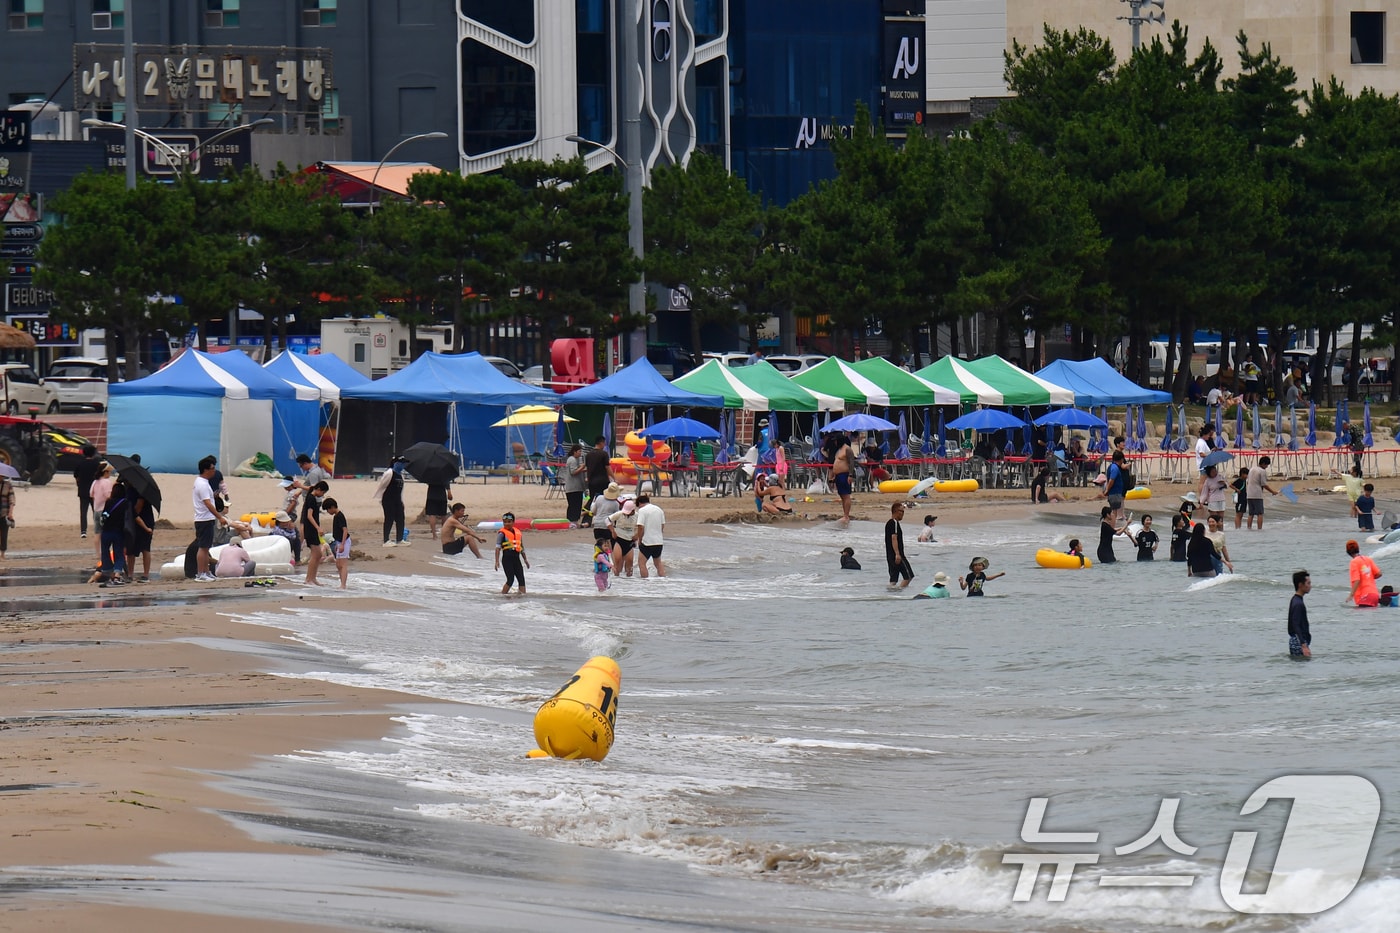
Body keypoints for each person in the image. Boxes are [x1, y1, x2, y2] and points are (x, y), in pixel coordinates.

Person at [193, 456, 230, 582]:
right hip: (203, 519)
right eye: (212, 469)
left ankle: (206, 571)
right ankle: (200, 573)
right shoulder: (202, 484)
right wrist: (220, 517)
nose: (214, 471)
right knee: (203, 547)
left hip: (206, 519)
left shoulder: (203, 483)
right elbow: (208, 503)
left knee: (206, 547)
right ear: (205, 470)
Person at [301, 480, 330, 585]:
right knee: (315, 554)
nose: (322, 495)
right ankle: (309, 579)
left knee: (317, 554)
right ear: (318, 490)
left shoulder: (311, 496)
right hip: (311, 529)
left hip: (312, 529)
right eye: (322, 493)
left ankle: (313, 578)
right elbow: (309, 516)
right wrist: (318, 528)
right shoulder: (311, 499)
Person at [374, 457, 407, 548]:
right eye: (402, 463)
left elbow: (401, 490)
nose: (404, 465)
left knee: (401, 519)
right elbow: (382, 487)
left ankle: (399, 539)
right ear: (396, 463)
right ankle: (386, 540)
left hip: (397, 500)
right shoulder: (389, 473)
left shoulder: (401, 475)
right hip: (388, 500)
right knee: (389, 519)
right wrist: (381, 499)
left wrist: (401, 501)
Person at [495, 512, 529, 595]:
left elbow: (521, 547)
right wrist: (496, 561)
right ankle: (502, 596)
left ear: (513, 522)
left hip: (516, 559)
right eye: (505, 522)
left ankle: (522, 599)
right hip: (507, 559)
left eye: (509, 521)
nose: (507, 524)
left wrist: (525, 559)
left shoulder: (518, 533)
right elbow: (497, 548)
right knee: (510, 580)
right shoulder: (502, 534)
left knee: (521, 579)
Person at [74, 443, 102, 541]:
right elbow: (100, 477)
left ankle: (83, 531)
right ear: (93, 453)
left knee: (83, 512)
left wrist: (79, 485)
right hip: (94, 492)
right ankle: (98, 529)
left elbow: (76, 477)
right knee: (96, 511)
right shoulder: (96, 464)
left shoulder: (80, 463)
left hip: (83, 491)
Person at [634, 494, 667, 578]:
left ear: (640, 503)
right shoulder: (659, 509)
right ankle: (663, 580)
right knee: (658, 563)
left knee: (641, 563)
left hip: (647, 542)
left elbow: (640, 527)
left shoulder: (642, 511)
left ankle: (645, 583)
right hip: (659, 542)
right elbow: (662, 525)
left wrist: (640, 539)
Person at [883, 502, 914, 588]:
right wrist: (897, 554)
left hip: (889, 555)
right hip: (897, 555)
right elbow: (894, 538)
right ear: (896, 511)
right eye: (902, 511)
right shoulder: (894, 522)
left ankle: (892, 596)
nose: (903, 514)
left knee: (893, 580)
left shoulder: (888, 523)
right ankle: (900, 594)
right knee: (909, 576)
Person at [90, 460, 116, 563]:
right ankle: (106, 552)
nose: (110, 474)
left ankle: (98, 554)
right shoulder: (107, 482)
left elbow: (91, 494)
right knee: (106, 532)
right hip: (105, 510)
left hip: (96, 509)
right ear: (105, 472)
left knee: (97, 532)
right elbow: (108, 496)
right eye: (109, 472)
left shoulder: (95, 482)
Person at [126, 492, 155, 581]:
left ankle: (145, 575)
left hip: (145, 521)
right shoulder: (128, 490)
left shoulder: (142, 492)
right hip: (133, 522)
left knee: (145, 548)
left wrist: (132, 514)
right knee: (130, 549)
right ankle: (130, 574)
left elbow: (138, 508)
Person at [1346, 539, 1382, 607]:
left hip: (1364, 596)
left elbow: (1357, 580)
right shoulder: (1368, 559)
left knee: (1360, 616)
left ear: (1347, 552)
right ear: (1358, 549)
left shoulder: (1354, 562)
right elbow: (1379, 573)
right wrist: (1369, 577)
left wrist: (1351, 595)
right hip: (1375, 595)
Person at [1245, 456, 1278, 530]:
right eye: (1266, 465)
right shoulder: (1262, 471)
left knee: (1251, 514)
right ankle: (1259, 529)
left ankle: (1248, 529)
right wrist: (1273, 492)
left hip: (1249, 494)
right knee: (1260, 513)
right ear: (1263, 463)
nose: (1266, 467)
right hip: (1257, 495)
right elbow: (1264, 484)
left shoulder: (1251, 469)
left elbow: (1248, 481)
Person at [608, 497, 638, 576]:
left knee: (630, 563)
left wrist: (637, 535)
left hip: (629, 540)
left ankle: (628, 582)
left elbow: (642, 526)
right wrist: (612, 531)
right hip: (618, 539)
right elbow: (607, 520)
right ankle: (617, 579)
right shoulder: (619, 514)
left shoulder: (637, 516)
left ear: (633, 510)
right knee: (618, 560)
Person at [325, 497, 351, 588]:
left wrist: (342, 544)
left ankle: (343, 585)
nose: (328, 512)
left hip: (344, 541)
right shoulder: (336, 516)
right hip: (339, 541)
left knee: (343, 564)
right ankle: (342, 583)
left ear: (332, 507)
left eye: (328, 509)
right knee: (338, 564)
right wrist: (337, 544)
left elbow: (345, 530)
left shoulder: (340, 516)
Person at [831, 433, 855, 524]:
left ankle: (846, 515)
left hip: (845, 475)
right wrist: (834, 476)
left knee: (846, 495)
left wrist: (850, 475)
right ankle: (845, 514)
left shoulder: (847, 449)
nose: (835, 442)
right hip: (838, 475)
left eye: (836, 441)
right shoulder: (839, 450)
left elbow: (851, 462)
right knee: (842, 496)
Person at [1289, 570, 1312, 658]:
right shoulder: (1298, 603)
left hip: (1297, 640)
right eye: (1308, 583)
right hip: (1298, 641)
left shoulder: (1295, 600)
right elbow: (1296, 624)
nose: (1310, 586)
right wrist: (1303, 645)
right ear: (1300, 585)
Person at [590, 482, 622, 546]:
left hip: (597, 525)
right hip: (608, 527)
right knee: (609, 547)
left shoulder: (599, 498)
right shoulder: (616, 503)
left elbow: (593, 511)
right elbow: (617, 518)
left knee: (599, 546)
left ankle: (599, 556)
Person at [584, 436, 613, 505]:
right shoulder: (604, 454)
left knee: (592, 498)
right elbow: (607, 467)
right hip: (602, 480)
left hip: (591, 481)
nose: (604, 445)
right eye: (604, 443)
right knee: (604, 498)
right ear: (601, 443)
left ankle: (588, 512)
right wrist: (614, 477)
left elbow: (588, 468)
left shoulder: (588, 455)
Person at [564, 442, 588, 526]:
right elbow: (573, 472)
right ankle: (572, 521)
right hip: (573, 487)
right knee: (574, 505)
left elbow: (579, 470)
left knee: (577, 504)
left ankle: (574, 521)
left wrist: (584, 469)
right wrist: (583, 466)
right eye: (579, 451)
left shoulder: (576, 460)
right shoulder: (572, 459)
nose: (580, 453)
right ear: (574, 451)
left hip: (577, 487)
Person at [0, 471, 13, 560]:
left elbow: (12, 500)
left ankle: (2, 554)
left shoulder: (8, 485)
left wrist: (10, 513)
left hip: (4, 512)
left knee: (4, 534)